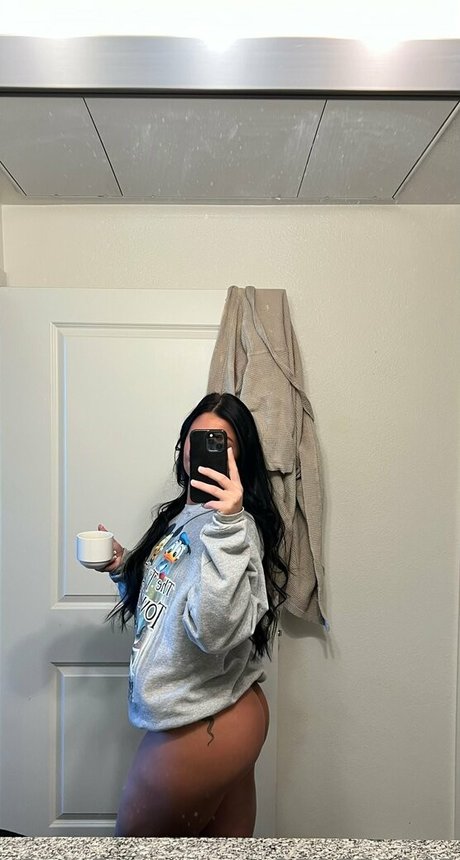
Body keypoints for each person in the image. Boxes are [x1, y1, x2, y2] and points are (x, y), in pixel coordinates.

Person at [99, 392, 288, 837]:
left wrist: (229, 524)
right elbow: (166, 603)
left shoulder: (236, 529)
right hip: (220, 707)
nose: (202, 447)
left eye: (220, 441)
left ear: (240, 456)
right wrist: (124, 567)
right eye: (195, 437)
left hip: (207, 718)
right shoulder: (180, 515)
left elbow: (213, 631)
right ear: (183, 445)